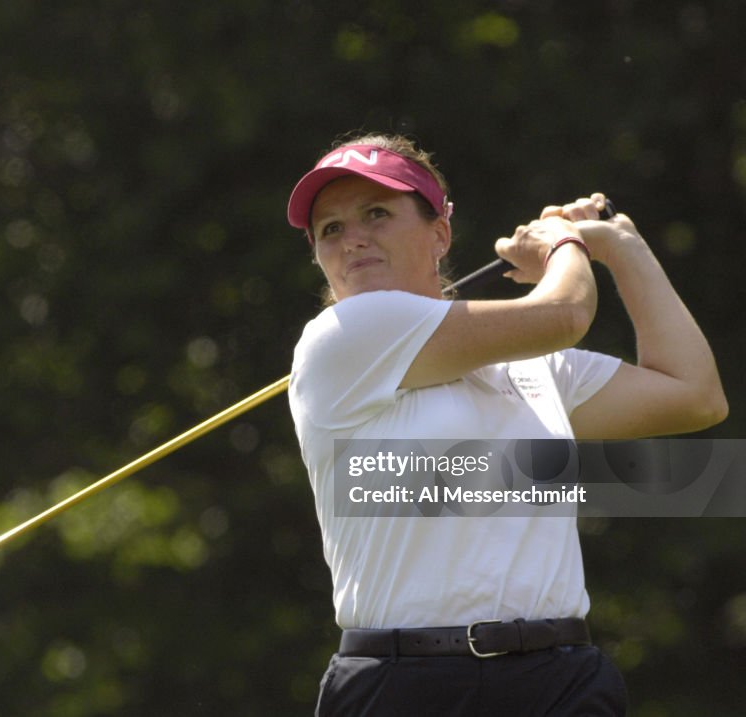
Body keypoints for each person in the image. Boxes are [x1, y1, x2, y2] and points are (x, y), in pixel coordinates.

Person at [285, 133, 727, 716]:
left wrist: (624, 247)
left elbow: (693, 395)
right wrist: (565, 243)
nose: (353, 238)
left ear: (439, 233)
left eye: (376, 214)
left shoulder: (533, 365)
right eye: (330, 229)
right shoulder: (341, 338)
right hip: (406, 684)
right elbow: (566, 313)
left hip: (561, 677)